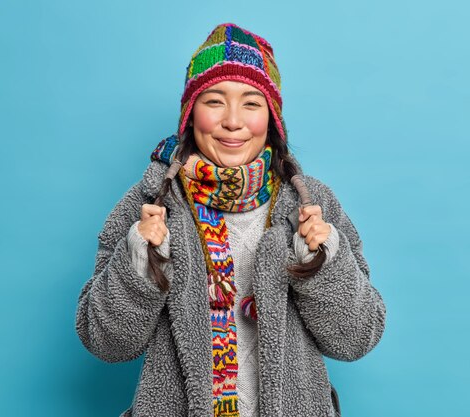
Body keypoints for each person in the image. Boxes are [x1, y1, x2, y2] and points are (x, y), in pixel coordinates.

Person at [75, 23, 386, 417]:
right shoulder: (151, 204)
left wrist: (323, 262)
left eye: (252, 103)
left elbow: (356, 339)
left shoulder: (311, 205)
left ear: (271, 119)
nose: (233, 121)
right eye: (215, 101)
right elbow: (106, 343)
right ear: (191, 114)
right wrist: (139, 261)